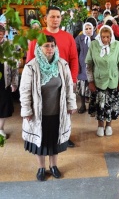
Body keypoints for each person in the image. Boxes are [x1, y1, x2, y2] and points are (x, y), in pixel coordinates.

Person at [20, 35, 77, 181]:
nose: (50, 49)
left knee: (54, 140)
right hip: (38, 113)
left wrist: (71, 104)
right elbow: (25, 90)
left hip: (58, 111)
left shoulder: (62, 64)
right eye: (46, 46)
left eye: (52, 46)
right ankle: (41, 167)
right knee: (41, 141)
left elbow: (69, 87)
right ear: (39, 48)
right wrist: (26, 110)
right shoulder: (31, 66)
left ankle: (53, 166)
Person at [26, 6, 78, 148]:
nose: (55, 19)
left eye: (58, 17)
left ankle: (65, 135)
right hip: (42, 83)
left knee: (66, 109)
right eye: (52, 16)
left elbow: (74, 59)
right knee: (44, 112)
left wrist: (73, 79)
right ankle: (40, 136)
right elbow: (30, 60)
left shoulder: (68, 37)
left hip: (62, 80)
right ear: (45, 18)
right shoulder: (38, 37)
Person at [86, 25, 119, 137]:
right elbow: (89, 64)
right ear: (100, 36)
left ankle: (109, 126)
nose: (105, 40)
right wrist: (90, 81)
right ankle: (100, 126)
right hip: (99, 81)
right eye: (103, 37)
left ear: (111, 36)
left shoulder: (118, 45)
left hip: (113, 80)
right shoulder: (94, 45)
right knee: (100, 105)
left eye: (108, 37)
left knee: (111, 105)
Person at [0, 25, 18, 139]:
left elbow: (14, 65)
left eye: (0, 34)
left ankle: (0, 128)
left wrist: (14, 82)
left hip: (4, 80)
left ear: (4, 34)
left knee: (3, 105)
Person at [75, 22, 96, 113]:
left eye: (90, 28)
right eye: (86, 29)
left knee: (93, 87)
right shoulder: (79, 38)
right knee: (82, 87)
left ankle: (92, 105)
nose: (88, 30)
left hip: (94, 66)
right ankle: (82, 105)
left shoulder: (97, 39)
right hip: (82, 65)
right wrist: (77, 65)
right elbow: (75, 52)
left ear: (93, 29)